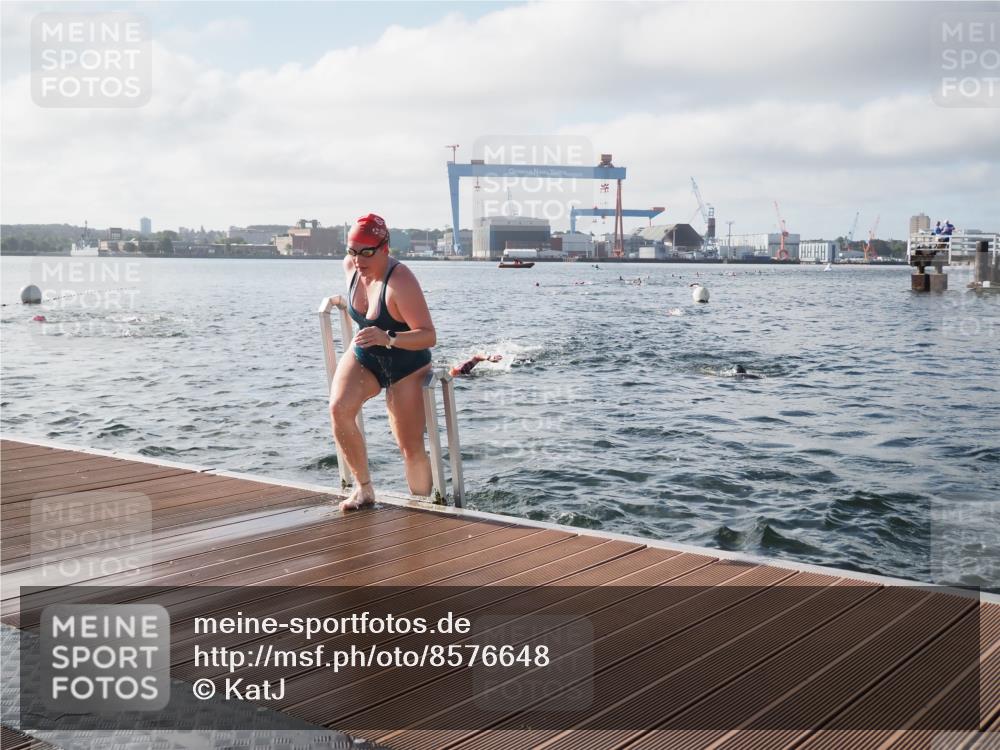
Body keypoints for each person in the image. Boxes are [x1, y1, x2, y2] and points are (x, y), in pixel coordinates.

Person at [329, 214, 436, 511]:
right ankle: (363, 489)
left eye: (367, 252)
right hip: (367, 355)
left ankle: (424, 507)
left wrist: (388, 336)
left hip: (406, 363)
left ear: (385, 248)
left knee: (410, 447)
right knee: (338, 408)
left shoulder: (401, 281)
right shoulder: (351, 267)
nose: (358, 259)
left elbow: (428, 336)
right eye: (352, 250)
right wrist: (342, 302)